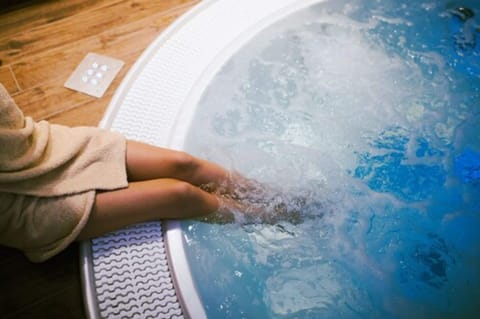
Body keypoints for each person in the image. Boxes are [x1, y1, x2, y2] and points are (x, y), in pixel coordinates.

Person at [0, 83, 258, 262]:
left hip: (40, 149)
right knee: (180, 194)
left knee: (183, 164)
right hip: (18, 205)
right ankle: (272, 217)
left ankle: (271, 193)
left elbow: (15, 132)